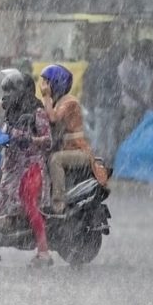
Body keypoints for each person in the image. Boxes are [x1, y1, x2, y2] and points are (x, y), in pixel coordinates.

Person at [0, 70, 53, 267]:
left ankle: (44, 253)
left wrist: (31, 140)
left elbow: (48, 140)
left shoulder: (37, 112)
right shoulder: (11, 113)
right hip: (9, 169)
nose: (6, 96)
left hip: (30, 168)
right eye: (5, 91)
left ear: (23, 91)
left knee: (30, 205)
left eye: (10, 91)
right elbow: (4, 136)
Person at [41, 64, 108, 214]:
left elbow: (53, 118)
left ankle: (58, 204)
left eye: (46, 82)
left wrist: (45, 96)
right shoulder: (58, 101)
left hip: (80, 151)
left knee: (55, 160)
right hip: (68, 149)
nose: (43, 86)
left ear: (56, 83)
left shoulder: (69, 101)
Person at [82, 45, 125, 165]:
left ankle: (98, 157)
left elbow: (90, 85)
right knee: (110, 133)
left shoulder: (97, 67)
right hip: (109, 106)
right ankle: (108, 159)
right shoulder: (112, 70)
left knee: (100, 133)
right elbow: (116, 89)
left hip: (100, 105)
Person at [117, 40, 153, 143]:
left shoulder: (142, 65)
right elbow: (126, 87)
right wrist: (141, 99)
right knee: (131, 134)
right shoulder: (125, 66)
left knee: (140, 135)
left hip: (144, 107)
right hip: (132, 107)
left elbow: (149, 84)